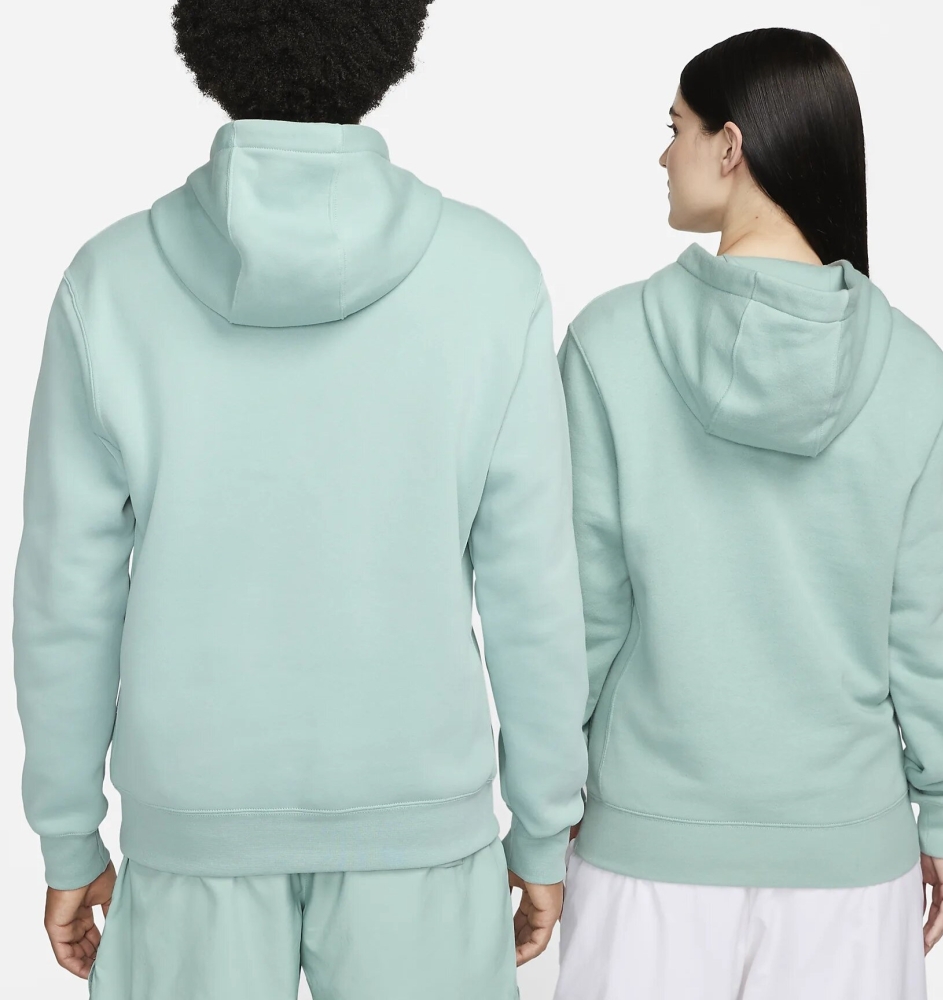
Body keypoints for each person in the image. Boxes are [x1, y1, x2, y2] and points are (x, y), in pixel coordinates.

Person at [12, 2, 589, 997]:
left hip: (192, 832)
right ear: (390, 37)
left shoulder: (108, 283)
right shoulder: (492, 279)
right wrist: (543, 830)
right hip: (420, 830)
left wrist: (70, 836)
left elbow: (67, 596)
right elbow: (533, 590)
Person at [554, 27, 943, 1000]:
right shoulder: (915, 371)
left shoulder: (608, 345)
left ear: (731, 146)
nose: (662, 155)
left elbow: (577, 619)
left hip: (646, 853)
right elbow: (930, 631)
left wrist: (542, 817)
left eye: (675, 128)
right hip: (850, 861)